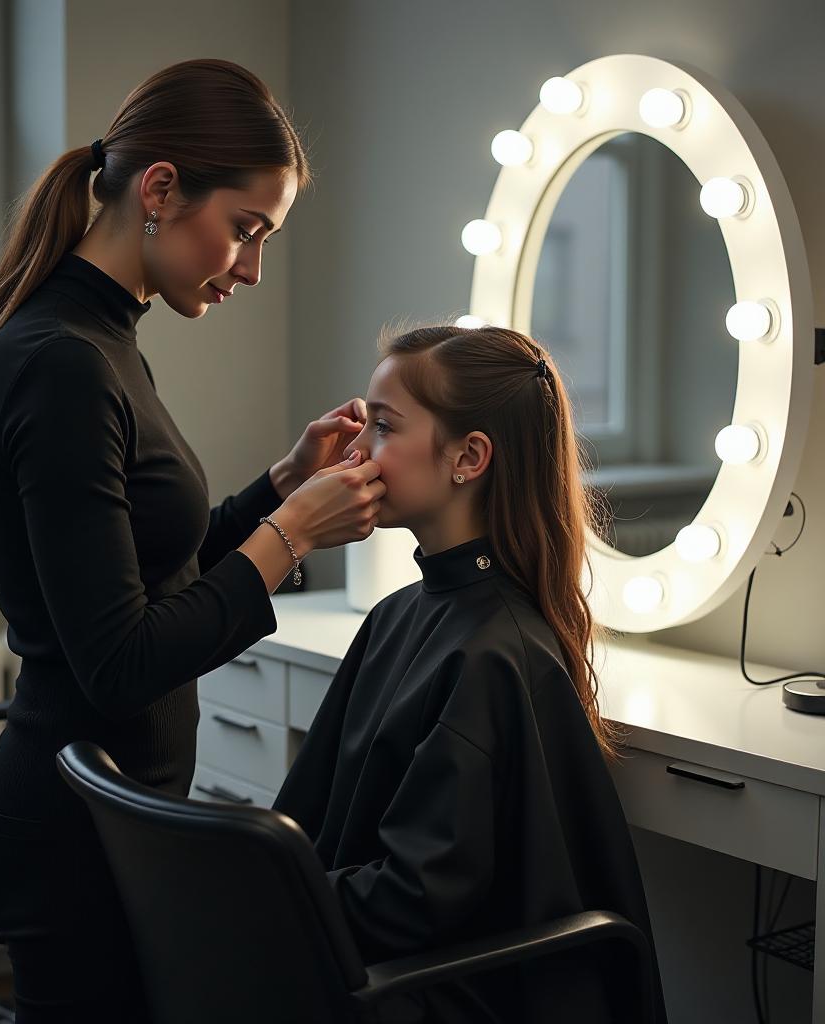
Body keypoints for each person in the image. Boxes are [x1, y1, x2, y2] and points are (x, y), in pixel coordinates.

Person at [0, 59, 385, 1022]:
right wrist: (286, 534)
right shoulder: (65, 363)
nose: (253, 268)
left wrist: (282, 485)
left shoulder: (100, 340)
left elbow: (153, 570)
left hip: (99, 818)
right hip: (69, 842)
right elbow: (120, 661)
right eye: (246, 230)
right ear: (161, 188)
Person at [273, 323, 668, 1024]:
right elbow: (307, 823)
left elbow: (412, 900)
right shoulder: (398, 617)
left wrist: (253, 904)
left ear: (469, 457)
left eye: (385, 428)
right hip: (361, 966)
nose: (355, 452)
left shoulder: (491, 654)